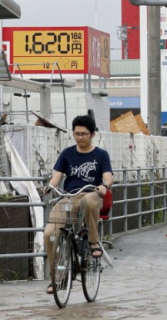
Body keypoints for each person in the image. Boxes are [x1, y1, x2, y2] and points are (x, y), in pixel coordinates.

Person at [44, 115, 113, 295]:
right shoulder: (67, 153)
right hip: (69, 197)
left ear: (92, 135)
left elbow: (107, 176)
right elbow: (57, 176)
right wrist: (50, 186)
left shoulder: (101, 155)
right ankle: (57, 278)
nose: (80, 137)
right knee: (49, 234)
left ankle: (93, 241)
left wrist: (104, 186)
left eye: (83, 134)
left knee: (89, 200)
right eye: (76, 134)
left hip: (91, 194)